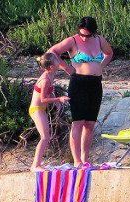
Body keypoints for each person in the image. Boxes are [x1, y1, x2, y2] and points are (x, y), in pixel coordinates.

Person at [47, 16, 113, 167]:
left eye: (87, 35)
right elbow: (52, 52)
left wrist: (101, 66)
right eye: (82, 34)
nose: (84, 37)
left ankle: (85, 159)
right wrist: (66, 67)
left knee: (90, 124)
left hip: (95, 84)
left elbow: (109, 53)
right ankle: (76, 160)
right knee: (78, 123)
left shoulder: (99, 40)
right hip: (78, 83)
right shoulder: (73, 40)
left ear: (94, 32)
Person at [29, 52, 71, 171]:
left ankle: (37, 164)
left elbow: (49, 92)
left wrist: (56, 103)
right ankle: (35, 165)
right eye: (57, 61)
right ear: (51, 66)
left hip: (41, 109)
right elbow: (43, 99)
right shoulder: (45, 80)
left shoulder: (50, 75)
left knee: (46, 136)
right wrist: (59, 99)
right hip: (36, 109)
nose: (59, 62)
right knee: (45, 137)